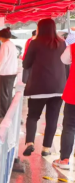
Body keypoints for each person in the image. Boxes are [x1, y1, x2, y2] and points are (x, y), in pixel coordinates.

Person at [22, 19, 67, 157]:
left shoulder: (35, 42)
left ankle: (30, 143)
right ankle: (46, 148)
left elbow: (26, 64)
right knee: (52, 119)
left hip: (39, 87)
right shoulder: (62, 43)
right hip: (58, 87)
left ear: (40, 28)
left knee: (33, 116)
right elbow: (66, 64)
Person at [53, 34, 75, 169]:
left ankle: (65, 159)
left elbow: (64, 60)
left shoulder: (72, 47)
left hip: (73, 94)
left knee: (69, 126)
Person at [0, 28, 19, 119]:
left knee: (2, 94)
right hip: (12, 72)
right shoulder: (11, 44)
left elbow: (2, 60)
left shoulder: (4, 45)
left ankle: (1, 113)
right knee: (8, 93)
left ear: (1, 36)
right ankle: (7, 112)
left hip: (5, 72)